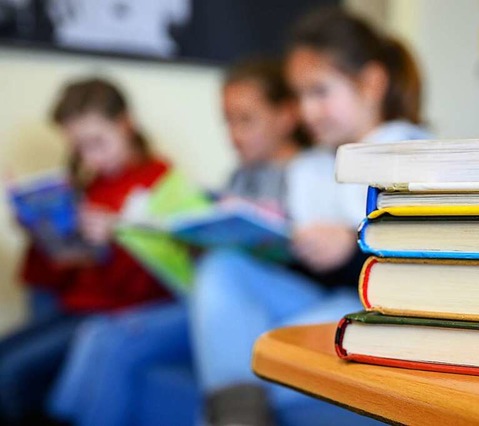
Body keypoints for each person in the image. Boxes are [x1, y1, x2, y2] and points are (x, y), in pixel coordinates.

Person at [191, 7, 432, 426]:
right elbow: (308, 269)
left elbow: (429, 269)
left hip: (381, 308)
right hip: (325, 296)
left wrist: (350, 246)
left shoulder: (410, 153)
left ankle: (234, 407)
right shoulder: (308, 167)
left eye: (320, 92)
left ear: (372, 83)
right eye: (299, 96)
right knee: (223, 267)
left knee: (253, 357)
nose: (307, 111)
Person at [46, 58, 309, 426]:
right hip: (211, 291)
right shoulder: (238, 177)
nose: (233, 134)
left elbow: (307, 253)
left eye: (245, 120)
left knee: (112, 335)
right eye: (228, 122)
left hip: (262, 293)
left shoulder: (308, 174)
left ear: (286, 116)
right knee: (99, 333)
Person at [0, 78, 172, 425]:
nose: (90, 156)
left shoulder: (160, 183)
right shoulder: (89, 184)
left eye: (98, 143)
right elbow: (61, 275)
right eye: (80, 148)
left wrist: (120, 237)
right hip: (75, 307)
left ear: (126, 123)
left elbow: (158, 284)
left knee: (10, 375)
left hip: (115, 314)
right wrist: (40, 231)